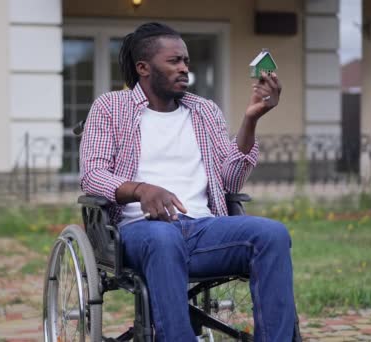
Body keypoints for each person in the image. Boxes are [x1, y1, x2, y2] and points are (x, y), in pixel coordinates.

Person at [80, 22, 295, 341]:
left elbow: (230, 179)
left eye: (187, 61)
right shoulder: (111, 108)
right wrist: (142, 190)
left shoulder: (205, 111)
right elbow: (92, 176)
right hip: (139, 231)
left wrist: (251, 120)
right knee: (164, 239)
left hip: (204, 228)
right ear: (144, 68)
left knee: (272, 234)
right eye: (174, 61)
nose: (185, 68)